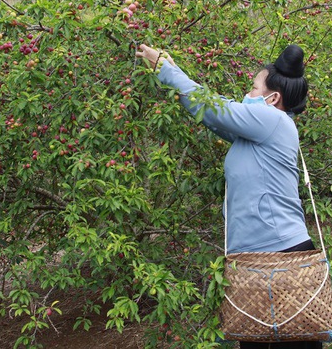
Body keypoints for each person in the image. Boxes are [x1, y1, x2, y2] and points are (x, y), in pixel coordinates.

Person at [136, 44, 321, 349]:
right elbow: (211, 110)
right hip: (255, 258)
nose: (246, 93)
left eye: (252, 87)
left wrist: (166, 70)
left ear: (272, 98)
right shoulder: (258, 130)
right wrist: (171, 71)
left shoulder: (272, 121)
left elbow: (216, 108)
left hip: (280, 254)